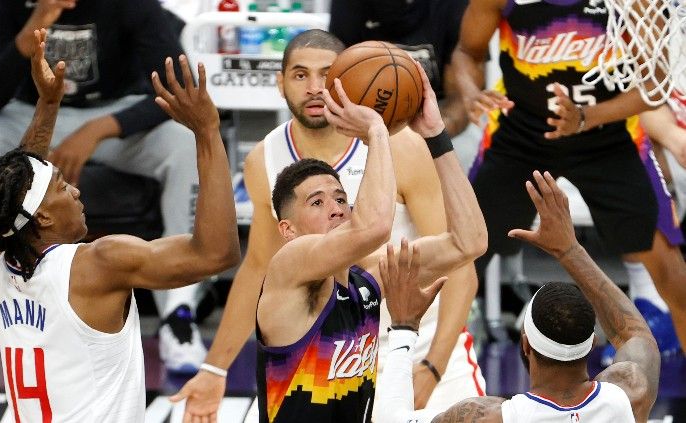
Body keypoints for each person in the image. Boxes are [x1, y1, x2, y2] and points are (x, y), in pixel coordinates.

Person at [173, 29, 485, 421]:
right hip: (321, 348)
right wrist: (215, 367)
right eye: (300, 75)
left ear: (343, 81)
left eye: (325, 74)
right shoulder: (264, 160)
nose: (314, 88)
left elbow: (463, 260)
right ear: (280, 83)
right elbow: (258, 267)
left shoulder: (402, 150)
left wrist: (433, 367)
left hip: (417, 338)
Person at [0, 29, 239, 421]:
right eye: (64, 186)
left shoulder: (3, 257)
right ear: (43, 216)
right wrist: (207, 134)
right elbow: (218, 253)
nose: (77, 191)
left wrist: (49, 105)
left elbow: (22, 179)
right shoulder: (99, 263)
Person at [451, 0, 686, 348]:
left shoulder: (628, 2)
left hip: (607, 134)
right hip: (520, 134)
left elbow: (654, 88)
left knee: (671, 272)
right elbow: (466, 52)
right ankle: (432, 368)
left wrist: (585, 117)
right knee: (464, 254)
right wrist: (471, 93)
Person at [376, 171, 659, 423]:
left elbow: (392, 419)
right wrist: (570, 251)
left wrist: (402, 328)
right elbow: (635, 334)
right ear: (592, 343)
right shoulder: (629, 396)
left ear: (525, 344)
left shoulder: (490, 417)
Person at [328, 0, 471, 136]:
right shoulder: (348, 4)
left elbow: (462, 98)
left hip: (434, 114)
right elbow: (334, 79)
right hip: (360, 120)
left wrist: (434, 134)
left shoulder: (454, 4)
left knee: (467, 150)